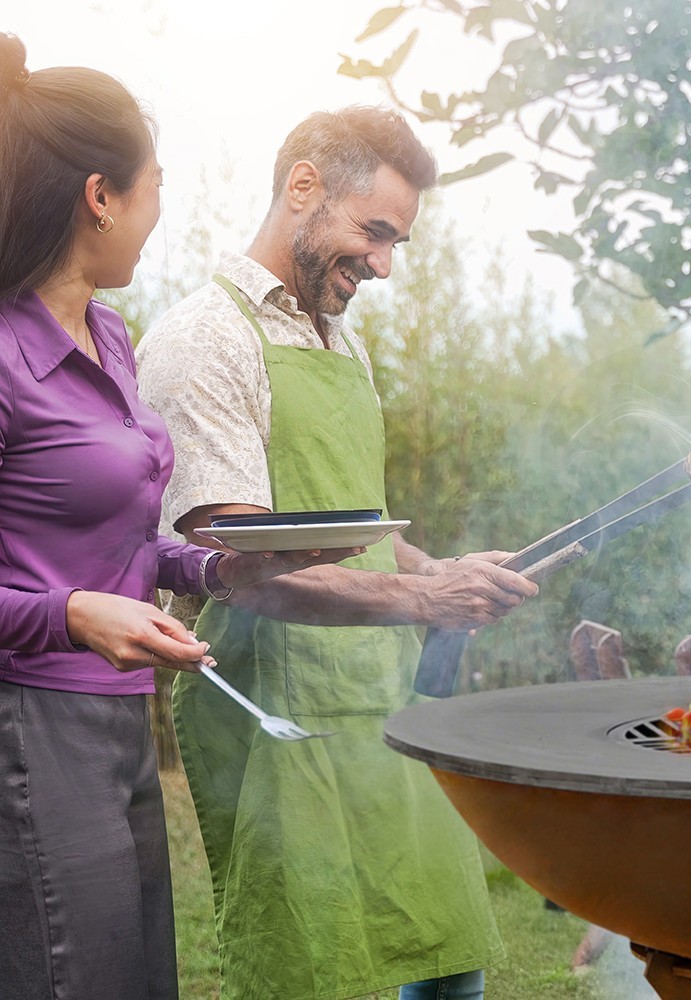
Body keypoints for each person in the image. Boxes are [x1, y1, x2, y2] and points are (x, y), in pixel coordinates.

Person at [135, 106, 539, 1000]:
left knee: (449, 960)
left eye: (397, 242)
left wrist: (442, 573)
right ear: (304, 187)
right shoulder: (205, 340)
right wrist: (433, 604)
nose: (385, 264)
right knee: (312, 973)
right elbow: (240, 568)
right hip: (276, 711)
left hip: (382, 699)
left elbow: (360, 531)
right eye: (375, 232)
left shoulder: (340, 337)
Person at [0, 35, 362, 1000]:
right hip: (30, 723)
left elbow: (121, 536)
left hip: (119, 718)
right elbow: (65, 587)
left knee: (138, 977)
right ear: (101, 195)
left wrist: (219, 569)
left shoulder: (109, 334)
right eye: (155, 184)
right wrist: (72, 614)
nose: (161, 211)